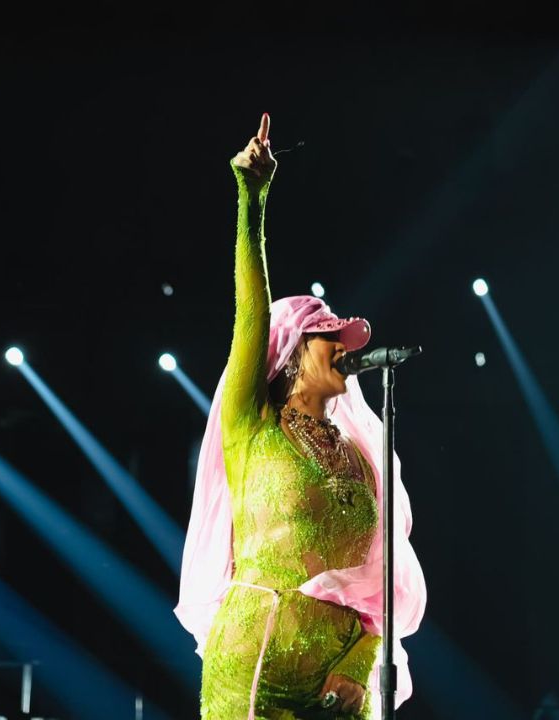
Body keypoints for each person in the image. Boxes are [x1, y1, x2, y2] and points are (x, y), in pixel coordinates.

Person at [175, 113, 427, 719]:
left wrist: (360, 665)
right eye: (329, 335)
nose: (346, 343)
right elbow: (249, 312)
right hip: (253, 671)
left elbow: (377, 590)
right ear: (291, 353)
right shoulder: (252, 426)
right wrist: (251, 200)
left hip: (340, 685)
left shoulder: (361, 455)